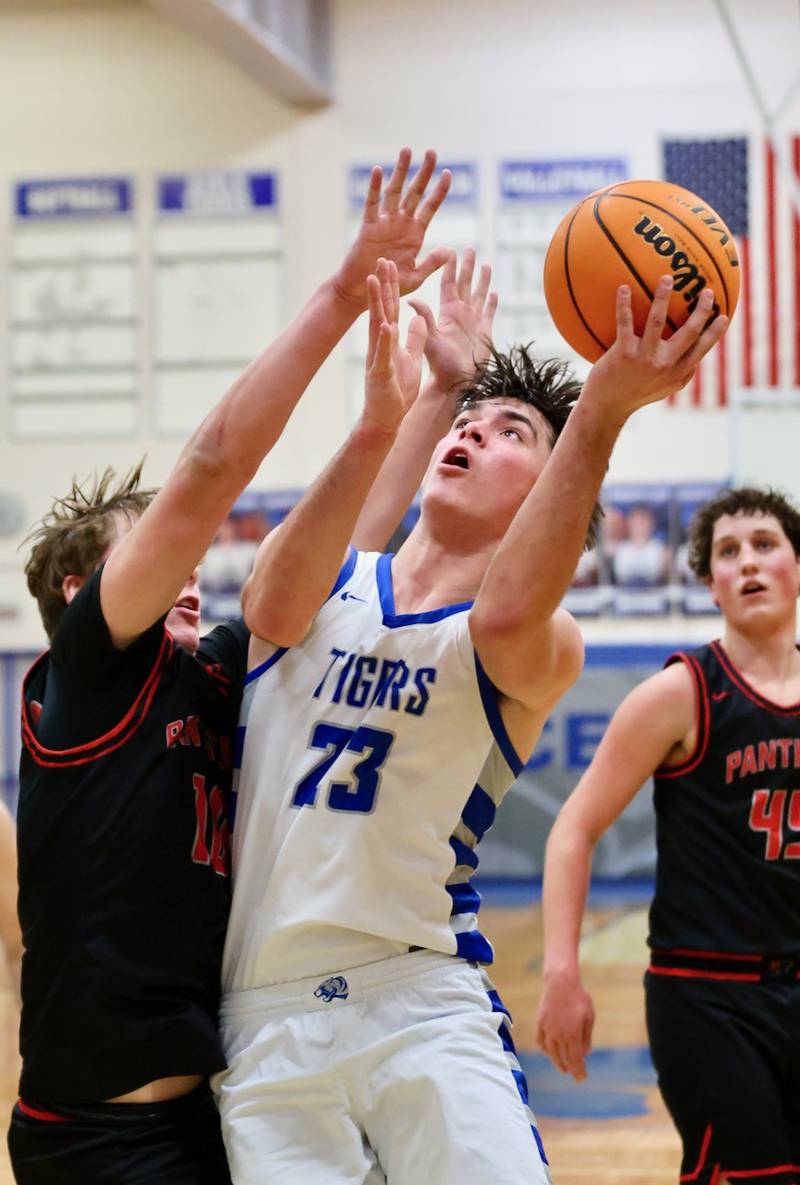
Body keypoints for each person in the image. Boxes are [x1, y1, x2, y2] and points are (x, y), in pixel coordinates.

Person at [214, 271, 727, 1185]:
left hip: (421, 998)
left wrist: (599, 415)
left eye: (512, 434)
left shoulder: (536, 642)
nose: (474, 432)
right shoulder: (334, 582)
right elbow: (268, 599)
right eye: (470, 425)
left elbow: (502, 616)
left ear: (546, 498)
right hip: (263, 1011)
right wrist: (439, 389)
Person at [11, 147, 451, 1185]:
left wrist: (431, 399)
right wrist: (344, 294)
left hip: (219, 1107)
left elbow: (348, 550)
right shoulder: (87, 678)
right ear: (86, 590)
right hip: (96, 1134)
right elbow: (211, 467)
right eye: (164, 553)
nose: (193, 572)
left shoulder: (211, 672)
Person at [535, 486, 800, 1185]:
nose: (747, 562)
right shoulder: (683, 691)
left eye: (765, 545)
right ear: (711, 584)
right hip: (707, 994)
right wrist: (562, 971)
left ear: (797, 568)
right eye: (727, 552)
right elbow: (574, 826)